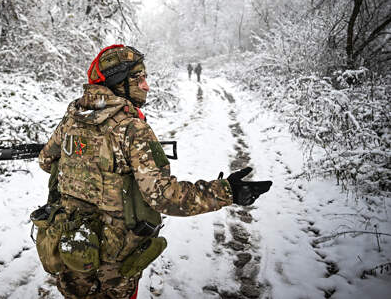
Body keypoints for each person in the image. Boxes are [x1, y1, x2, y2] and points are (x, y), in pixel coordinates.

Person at [37, 45, 271, 299]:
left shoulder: (72, 119)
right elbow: (165, 197)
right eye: (138, 79)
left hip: (72, 247)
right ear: (118, 82)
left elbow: (47, 161)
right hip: (114, 260)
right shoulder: (132, 129)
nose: (146, 86)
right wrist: (227, 191)